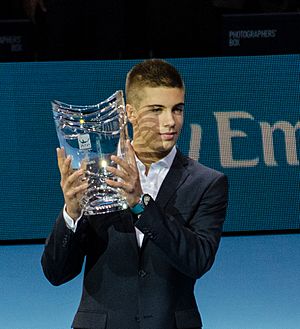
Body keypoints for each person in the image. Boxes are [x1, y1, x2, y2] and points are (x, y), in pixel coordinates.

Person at [41, 59, 229, 329]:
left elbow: (197, 261)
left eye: (177, 109)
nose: (170, 121)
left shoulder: (208, 183)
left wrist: (141, 205)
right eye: (157, 110)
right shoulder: (95, 174)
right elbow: (56, 273)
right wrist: (71, 213)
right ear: (130, 113)